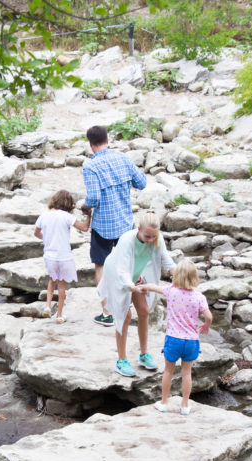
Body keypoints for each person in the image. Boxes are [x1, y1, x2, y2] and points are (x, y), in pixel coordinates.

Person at [82, 124, 147, 327]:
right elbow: (142, 183)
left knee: (101, 265)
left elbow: (93, 197)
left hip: (102, 226)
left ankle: (107, 313)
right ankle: (133, 307)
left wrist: (85, 207)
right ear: (108, 140)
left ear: (91, 144)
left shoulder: (91, 167)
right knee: (128, 264)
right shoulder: (123, 159)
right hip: (125, 223)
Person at [96, 212, 175, 378]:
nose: (150, 240)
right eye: (147, 236)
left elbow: (166, 260)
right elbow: (122, 270)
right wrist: (131, 287)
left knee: (144, 311)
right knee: (124, 315)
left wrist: (179, 278)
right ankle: (121, 360)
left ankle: (144, 355)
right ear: (138, 229)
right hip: (117, 275)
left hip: (135, 273)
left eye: (154, 236)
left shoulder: (157, 239)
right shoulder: (127, 240)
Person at [139, 259, 212, 416]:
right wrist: (206, 325)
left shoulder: (171, 291)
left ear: (176, 276)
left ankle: (164, 402)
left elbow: (154, 287)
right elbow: (209, 316)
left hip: (173, 339)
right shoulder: (199, 297)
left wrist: (143, 287)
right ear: (194, 277)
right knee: (187, 373)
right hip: (191, 340)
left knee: (168, 371)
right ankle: (185, 405)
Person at [34, 190, 91, 323]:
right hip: (64, 257)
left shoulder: (44, 216)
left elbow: (36, 233)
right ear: (68, 204)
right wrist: (89, 216)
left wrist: (45, 239)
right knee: (61, 286)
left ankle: (47, 307)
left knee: (51, 280)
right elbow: (84, 228)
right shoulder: (67, 216)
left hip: (49, 256)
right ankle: (59, 316)